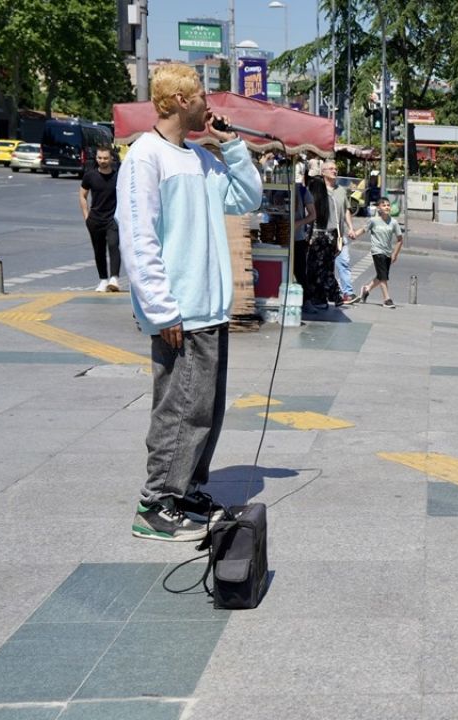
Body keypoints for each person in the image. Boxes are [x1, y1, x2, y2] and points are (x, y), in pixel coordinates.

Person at [117, 64, 262, 541]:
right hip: (179, 311)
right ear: (180, 100)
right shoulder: (146, 157)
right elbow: (138, 239)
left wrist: (234, 145)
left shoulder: (200, 159)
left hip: (210, 307)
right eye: (201, 96)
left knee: (205, 410)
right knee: (179, 409)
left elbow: (246, 198)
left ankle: (189, 490)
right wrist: (160, 309)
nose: (208, 105)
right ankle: (156, 502)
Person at [304, 161, 347, 309]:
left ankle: (334, 294)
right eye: (331, 169)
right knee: (323, 268)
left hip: (327, 236)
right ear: (323, 172)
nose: (335, 171)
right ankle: (321, 298)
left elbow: (341, 216)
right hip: (327, 237)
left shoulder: (339, 192)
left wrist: (341, 238)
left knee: (320, 268)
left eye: (336, 168)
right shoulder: (320, 192)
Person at [79, 146, 122, 293]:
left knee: (113, 245)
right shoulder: (90, 176)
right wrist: (86, 216)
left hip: (113, 219)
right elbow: (82, 195)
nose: (102, 161)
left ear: (111, 159)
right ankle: (103, 280)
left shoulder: (118, 176)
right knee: (99, 251)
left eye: (105, 158)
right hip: (95, 220)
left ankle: (114, 278)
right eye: (99, 158)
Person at [348, 198, 403, 308]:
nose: (387, 207)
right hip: (377, 251)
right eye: (384, 205)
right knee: (383, 276)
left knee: (381, 275)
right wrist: (354, 234)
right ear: (379, 208)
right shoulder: (374, 221)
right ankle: (387, 299)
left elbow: (400, 239)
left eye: (388, 205)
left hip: (388, 252)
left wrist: (395, 254)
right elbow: (364, 229)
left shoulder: (394, 222)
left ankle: (366, 289)